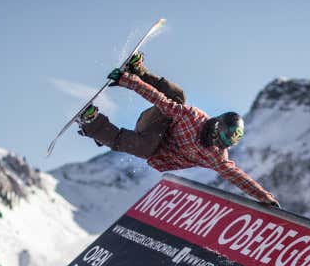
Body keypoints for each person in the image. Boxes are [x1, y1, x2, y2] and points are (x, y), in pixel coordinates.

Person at [77, 53, 278, 206]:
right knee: (177, 95)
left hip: (156, 151)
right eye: (219, 138)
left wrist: (265, 197)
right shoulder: (192, 117)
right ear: (217, 124)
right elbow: (160, 101)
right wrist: (128, 80)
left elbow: (238, 177)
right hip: (154, 124)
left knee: (144, 147)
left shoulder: (216, 156)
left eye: (223, 145)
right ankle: (138, 70)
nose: (215, 145)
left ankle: (92, 123)